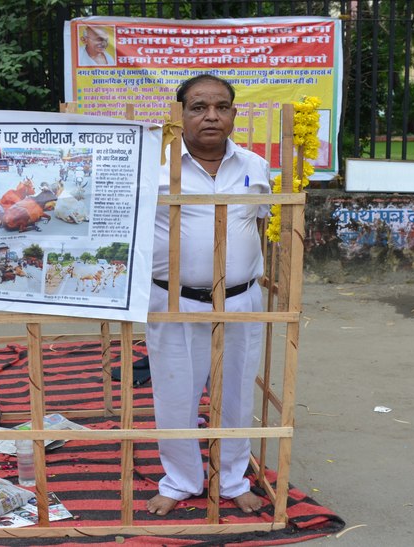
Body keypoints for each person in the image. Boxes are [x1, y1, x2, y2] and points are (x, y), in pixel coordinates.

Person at [146, 74, 271, 516]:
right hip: (173, 299)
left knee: (236, 390)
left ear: (234, 114)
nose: (211, 116)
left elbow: (259, 222)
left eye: (221, 107)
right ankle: (180, 480)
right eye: (199, 107)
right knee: (176, 392)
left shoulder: (255, 167)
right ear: (181, 115)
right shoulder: (155, 167)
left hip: (240, 299)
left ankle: (234, 478)